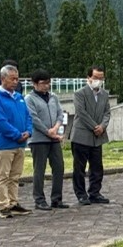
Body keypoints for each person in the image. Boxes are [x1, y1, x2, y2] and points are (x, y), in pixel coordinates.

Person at [0, 64, 33, 218]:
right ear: (3, 79)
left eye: (17, 79)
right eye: (12, 79)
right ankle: (3, 205)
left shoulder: (19, 97)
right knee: (3, 176)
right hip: (4, 144)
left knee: (15, 176)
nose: (15, 82)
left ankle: (13, 202)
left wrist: (28, 131)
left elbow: (27, 116)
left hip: (19, 143)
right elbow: (0, 121)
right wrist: (16, 134)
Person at [25, 69, 68, 211]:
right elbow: (33, 118)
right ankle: (39, 199)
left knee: (59, 167)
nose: (46, 86)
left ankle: (57, 198)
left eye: (48, 83)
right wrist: (47, 132)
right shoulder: (29, 99)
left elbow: (60, 113)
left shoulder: (53, 97)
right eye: (43, 83)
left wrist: (55, 128)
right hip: (39, 139)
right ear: (35, 84)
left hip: (54, 138)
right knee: (39, 170)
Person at [70, 66, 111, 205]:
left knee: (97, 167)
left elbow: (107, 113)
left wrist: (103, 126)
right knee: (79, 168)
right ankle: (81, 194)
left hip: (97, 137)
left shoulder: (104, 94)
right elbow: (81, 113)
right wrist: (95, 127)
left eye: (101, 78)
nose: (98, 81)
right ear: (88, 78)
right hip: (81, 135)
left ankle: (95, 192)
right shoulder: (80, 93)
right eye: (95, 78)